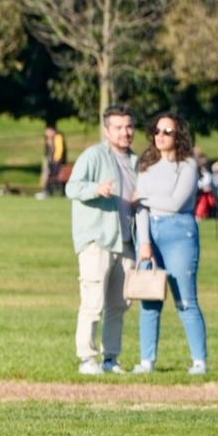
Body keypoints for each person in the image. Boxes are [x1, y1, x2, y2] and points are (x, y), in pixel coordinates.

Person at [133, 113, 207, 376]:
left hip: (179, 231)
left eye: (168, 131)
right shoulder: (146, 165)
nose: (161, 136)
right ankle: (146, 361)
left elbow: (176, 202)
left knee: (185, 299)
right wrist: (144, 243)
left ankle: (199, 361)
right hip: (151, 231)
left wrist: (144, 197)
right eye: (157, 131)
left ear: (179, 136)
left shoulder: (187, 165)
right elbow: (139, 209)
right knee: (149, 298)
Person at [65, 105, 137, 376]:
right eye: (118, 127)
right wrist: (97, 189)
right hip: (97, 240)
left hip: (126, 242)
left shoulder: (136, 162)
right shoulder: (94, 155)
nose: (125, 132)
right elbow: (71, 187)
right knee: (93, 302)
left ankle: (111, 359)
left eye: (129, 126)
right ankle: (87, 359)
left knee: (119, 305)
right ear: (107, 130)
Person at [42, 125, 68, 197]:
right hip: (54, 161)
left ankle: (51, 191)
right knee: (52, 177)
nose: (46, 134)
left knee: (58, 177)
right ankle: (49, 191)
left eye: (47, 132)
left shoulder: (58, 137)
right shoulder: (52, 138)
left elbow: (59, 149)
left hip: (57, 162)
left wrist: (56, 160)